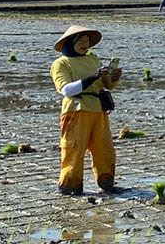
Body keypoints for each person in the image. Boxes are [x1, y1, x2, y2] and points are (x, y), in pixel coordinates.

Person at [49, 24, 122, 196]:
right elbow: (66, 90)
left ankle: (107, 183)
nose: (85, 44)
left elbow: (107, 85)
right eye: (80, 40)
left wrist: (113, 78)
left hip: (98, 109)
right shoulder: (61, 63)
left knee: (104, 149)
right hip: (76, 111)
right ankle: (70, 186)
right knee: (73, 149)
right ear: (70, 43)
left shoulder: (92, 60)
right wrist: (93, 76)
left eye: (87, 41)